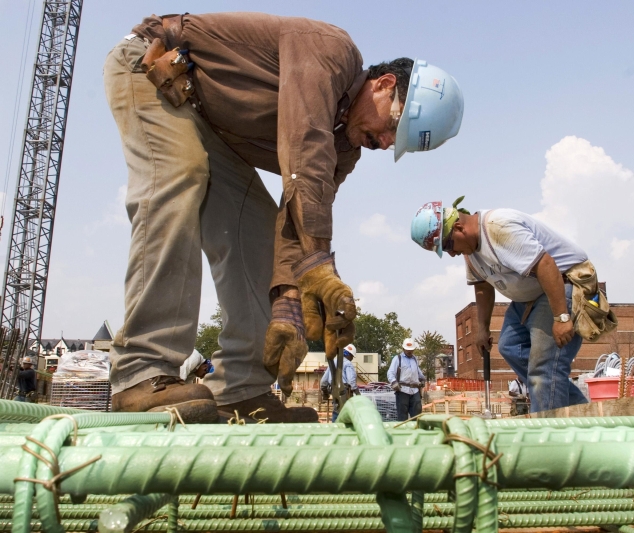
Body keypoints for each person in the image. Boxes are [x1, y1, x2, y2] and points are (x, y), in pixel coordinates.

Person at [104, 12, 464, 423]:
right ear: (384, 85)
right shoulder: (331, 51)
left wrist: (290, 302)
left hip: (205, 118)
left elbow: (304, 214)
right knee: (180, 172)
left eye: (394, 143)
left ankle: (241, 390)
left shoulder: (345, 149)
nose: (384, 144)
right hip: (155, 68)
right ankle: (142, 372)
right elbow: (304, 148)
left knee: (258, 227)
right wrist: (317, 266)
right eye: (391, 129)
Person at [411, 197, 616, 413]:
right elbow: (483, 287)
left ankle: (548, 433)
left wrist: (561, 317)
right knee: (510, 346)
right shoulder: (470, 252)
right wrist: (482, 329)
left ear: (459, 227)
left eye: (448, 245)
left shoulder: (498, 228)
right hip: (530, 297)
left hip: (561, 285)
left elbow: (546, 265)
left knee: (544, 368)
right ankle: (581, 412)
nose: (452, 253)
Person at [387, 338, 425, 420]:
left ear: (414, 349)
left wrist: (422, 379)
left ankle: (416, 431)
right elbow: (390, 373)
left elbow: (418, 373)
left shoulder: (415, 359)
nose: (409, 351)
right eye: (407, 349)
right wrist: (393, 382)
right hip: (402, 391)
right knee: (402, 417)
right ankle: (403, 432)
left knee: (417, 416)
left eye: (411, 349)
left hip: (415, 391)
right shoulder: (397, 359)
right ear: (403, 348)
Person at [319, 344, 358, 422]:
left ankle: (335, 428)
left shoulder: (332, 363)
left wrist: (325, 393)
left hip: (334, 391)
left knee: (336, 411)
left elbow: (323, 381)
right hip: (345, 392)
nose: (352, 359)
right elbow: (351, 381)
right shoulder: (348, 364)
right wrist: (358, 393)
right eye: (352, 356)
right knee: (346, 413)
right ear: (349, 354)